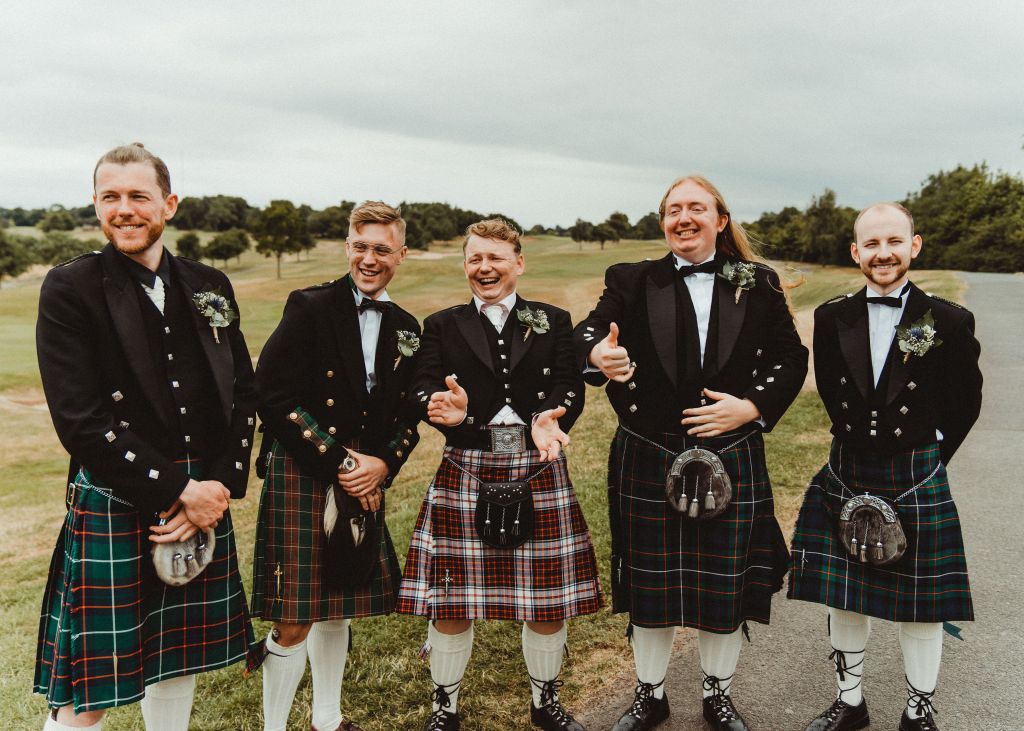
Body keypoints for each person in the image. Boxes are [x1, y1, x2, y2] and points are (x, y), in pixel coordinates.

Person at [33, 143, 258, 731]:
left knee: (177, 661)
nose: (124, 209)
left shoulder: (210, 283)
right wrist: (180, 490)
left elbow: (243, 394)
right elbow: (80, 420)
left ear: (170, 204)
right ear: (96, 205)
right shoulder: (71, 287)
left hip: (200, 497)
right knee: (91, 688)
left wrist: (218, 488)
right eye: (111, 197)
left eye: (138, 196)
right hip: (119, 495)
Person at [574, 176, 807, 731]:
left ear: (720, 219)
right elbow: (588, 333)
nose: (684, 218)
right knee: (652, 586)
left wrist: (750, 408)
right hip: (649, 449)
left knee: (723, 586)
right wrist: (597, 355)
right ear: (663, 222)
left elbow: (791, 356)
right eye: (673, 209)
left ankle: (716, 695)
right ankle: (650, 695)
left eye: (696, 208)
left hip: (731, 449)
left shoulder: (757, 281)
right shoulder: (631, 280)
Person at [396, 218, 602, 731]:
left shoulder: (552, 320)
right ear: (465, 264)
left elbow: (569, 382)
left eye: (495, 258)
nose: (484, 268)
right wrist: (444, 407)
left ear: (518, 262)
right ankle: (445, 709)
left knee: (547, 599)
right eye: (474, 259)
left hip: (538, 462)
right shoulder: (441, 324)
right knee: (451, 599)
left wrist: (550, 417)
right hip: (467, 463)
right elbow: (421, 386)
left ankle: (544, 701)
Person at [788, 203, 982, 731]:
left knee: (921, 605)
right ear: (856, 252)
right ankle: (850, 702)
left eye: (894, 241)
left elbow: (966, 400)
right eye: (871, 244)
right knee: (845, 597)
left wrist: (929, 455)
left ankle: (918, 710)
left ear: (914, 247)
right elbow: (831, 388)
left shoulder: (947, 319)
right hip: (849, 467)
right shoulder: (831, 317)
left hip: (915, 473)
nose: (883, 253)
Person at [250, 201, 421, 731]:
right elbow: (271, 395)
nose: (369, 259)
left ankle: (328, 718)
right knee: (296, 615)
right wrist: (345, 461)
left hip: (362, 473)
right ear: (348, 247)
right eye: (360, 246)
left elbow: (410, 413)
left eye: (382, 249)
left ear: (401, 254)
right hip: (306, 465)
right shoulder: (310, 305)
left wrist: (382, 465)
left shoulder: (407, 327)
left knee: (340, 601)